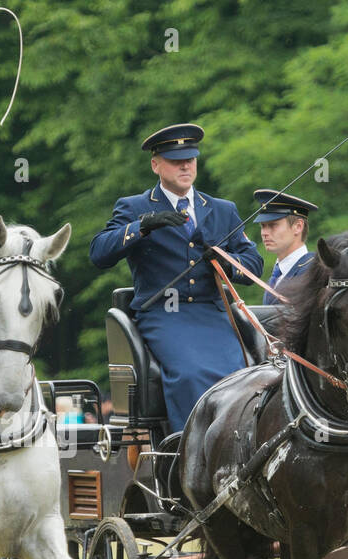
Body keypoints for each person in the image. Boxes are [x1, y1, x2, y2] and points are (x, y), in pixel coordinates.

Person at [90, 124, 264, 433]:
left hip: (213, 314)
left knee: (238, 376)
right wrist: (143, 226)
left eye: (191, 159)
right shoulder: (135, 207)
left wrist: (225, 260)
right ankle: (190, 455)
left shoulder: (223, 210)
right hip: (164, 315)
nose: (185, 165)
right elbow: (99, 253)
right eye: (175, 160)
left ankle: (239, 450)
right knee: (190, 374)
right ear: (156, 165)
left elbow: (253, 264)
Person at [252, 189, 317, 306]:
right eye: (263, 226)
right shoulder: (278, 273)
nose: (264, 233)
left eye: (273, 225)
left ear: (298, 226)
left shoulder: (312, 270)